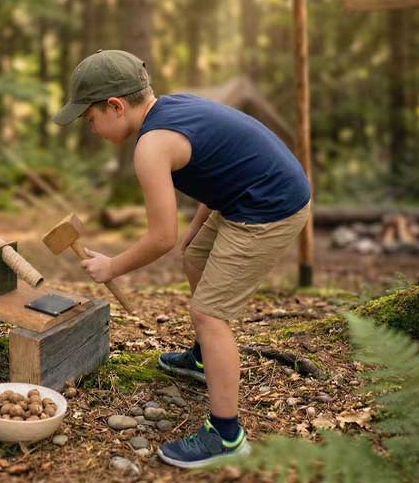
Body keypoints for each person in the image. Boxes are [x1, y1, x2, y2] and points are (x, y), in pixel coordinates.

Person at [52, 49, 310, 468]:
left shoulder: (151, 146)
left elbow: (160, 239)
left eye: (89, 118)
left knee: (210, 313)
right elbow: (223, 166)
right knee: (195, 257)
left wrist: (112, 266)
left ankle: (227, 435)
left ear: (115, 106)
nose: (91, 128)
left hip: (271, 208)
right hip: (251, 194)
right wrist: (194, 233)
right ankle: (205, 358)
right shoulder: (174, 108)